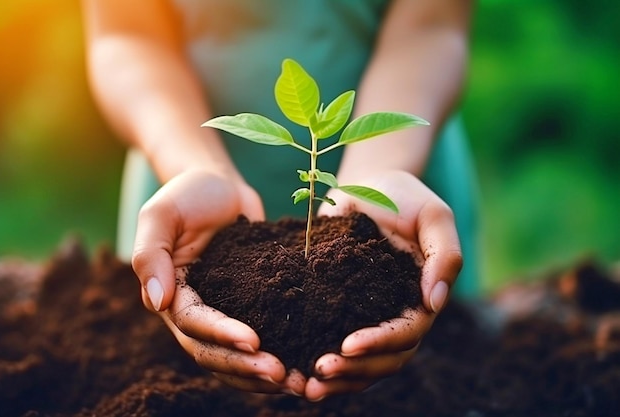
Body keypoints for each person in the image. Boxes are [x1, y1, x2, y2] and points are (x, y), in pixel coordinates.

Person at [81, 0, 479, 401]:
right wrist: (192, 166)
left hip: (396, 172)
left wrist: (378, 169)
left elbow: (431, 26)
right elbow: (126, 33)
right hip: (183, 164)